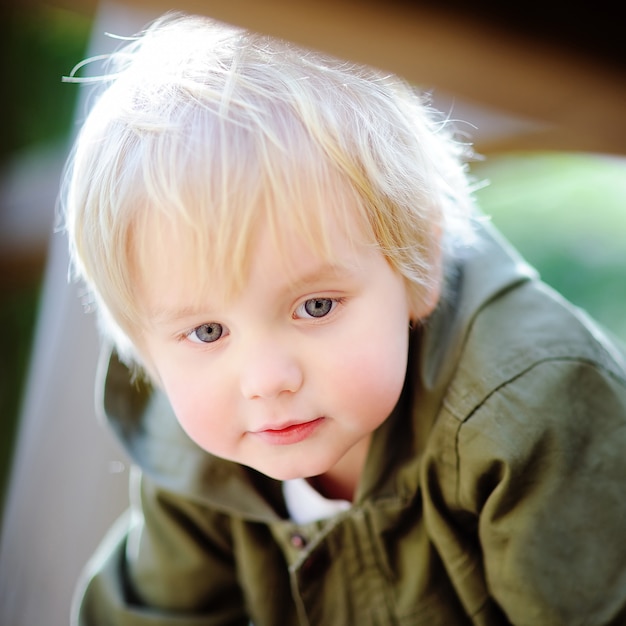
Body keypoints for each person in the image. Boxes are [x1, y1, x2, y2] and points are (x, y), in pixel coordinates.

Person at [62, 11, 626, 626]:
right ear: (144, 345)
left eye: (316, 306)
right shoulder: (193, 455)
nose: (267, 378)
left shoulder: (527, 410)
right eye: (207, 332)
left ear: (421, 264)